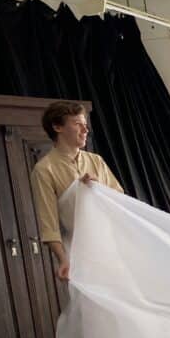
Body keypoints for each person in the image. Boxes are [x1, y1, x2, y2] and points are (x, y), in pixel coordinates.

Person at [30, 101, 124, 281]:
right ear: (57, 127)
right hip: (79, 254)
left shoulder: (96, 161)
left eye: (85, 125)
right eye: (78, 124)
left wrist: (98, 189)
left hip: (113, 249)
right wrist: (63, 259)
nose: (85, 130)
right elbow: (49, 224)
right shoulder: (44, 170)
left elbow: (120, 201)